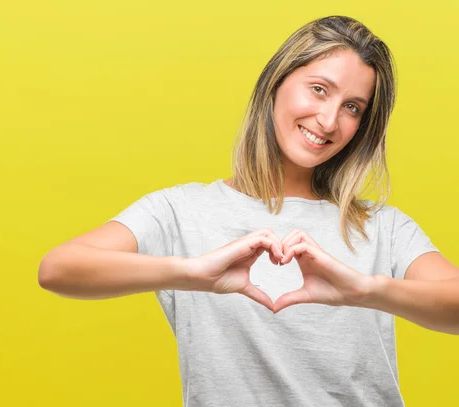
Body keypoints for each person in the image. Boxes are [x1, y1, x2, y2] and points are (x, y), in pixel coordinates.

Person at [38, 15, 459, 406]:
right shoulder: (182, 210)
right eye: (319, 89)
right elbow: (59, 269)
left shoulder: (380, 226)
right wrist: (192, 273)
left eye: (353, 107)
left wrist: (366, 290)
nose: (330, 120)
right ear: (276, 82)